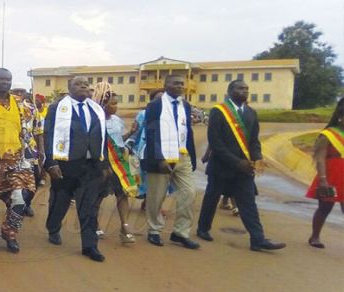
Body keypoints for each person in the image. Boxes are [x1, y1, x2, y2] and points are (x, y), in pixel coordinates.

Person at [196, 80, 286, 251]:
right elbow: (215, 142)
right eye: (240, 88)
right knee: (211, 199)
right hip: (222, 166)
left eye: (246, 89)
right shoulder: (218, 111)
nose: (245, 91)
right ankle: (203, 228)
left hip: (244, 169)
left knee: (248, 202)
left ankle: (257, 239)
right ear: (230, 91)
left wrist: (258, 158)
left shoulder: (251, 113)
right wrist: (237, 163)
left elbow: (254, 141)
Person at [0, 68, 42, 253]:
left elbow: (33, 128)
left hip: (18, 158)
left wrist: (35, 154)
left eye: (8, 80)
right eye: (1, 79)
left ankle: (9, 232)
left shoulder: (21, 103)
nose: (6, 82)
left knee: (20, 199)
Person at [44, 77, 108, 262]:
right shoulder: (57, 108)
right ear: (69, 88)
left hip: (90, 166)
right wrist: (51, 163)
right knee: (60, 201)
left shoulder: (96, 109)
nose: (83, 86)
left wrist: (103, 164)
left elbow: (103, 137)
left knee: (88, 206)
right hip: (65, 163)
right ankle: (53, 228)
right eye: (78, 84)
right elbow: (48, 135)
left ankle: (90, 246)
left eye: (86, 84)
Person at [142, 74, 200, 250]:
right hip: (161, 157)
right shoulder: (155, 105)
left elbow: (187, 131)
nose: (180, 86)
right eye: (176, 83)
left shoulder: (186, 105)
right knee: (156, 196)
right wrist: (159, 158)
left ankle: (180, 232)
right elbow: (151, 132)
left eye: (182, 84)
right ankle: (154, 230)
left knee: (189, 192)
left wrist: (191, 156)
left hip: (182, 155)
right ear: (166, 85)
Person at [91, 83, 137, 243]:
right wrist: (103, 167)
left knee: (122, 194)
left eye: (117, 103)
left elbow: (119, 140)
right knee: (98, 196)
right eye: (113, 104)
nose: (116, 107)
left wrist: (131, 133)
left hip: (119, 164)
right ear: (103, 104)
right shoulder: (95, 121)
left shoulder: (117, 120)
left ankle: (124, 227)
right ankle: (94, 224)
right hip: (103, 165)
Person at [305, 98, 344, 248]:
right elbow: (320, 158)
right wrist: (323, 179)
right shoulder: (328, 134)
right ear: (340, 116)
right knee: (325, 207)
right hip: (331, 175)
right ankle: (315, 236)